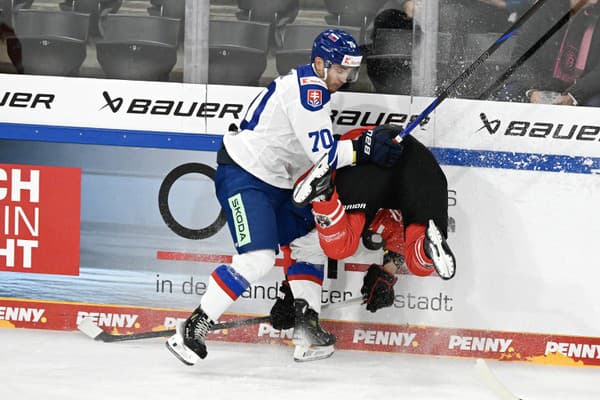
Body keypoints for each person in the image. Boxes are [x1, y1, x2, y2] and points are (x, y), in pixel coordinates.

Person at [165, 29, 403, 366]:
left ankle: (306, 328)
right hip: (245, 177)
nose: (344, 78)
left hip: (280, 185)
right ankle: (193, 327)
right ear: (319, 63)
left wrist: (361, 149)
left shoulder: (313, 87)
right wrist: (364, 149)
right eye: (339, 70)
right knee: (258, 260)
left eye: (349, 72)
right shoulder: (309, 92)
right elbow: (323, 154)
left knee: (311, 242)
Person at [270, 124, 456, 360]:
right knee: (419, 260)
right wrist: (387, 273)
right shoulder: (323, 171)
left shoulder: (296, 202)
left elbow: (296, 249)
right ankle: (426, 249)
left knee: (338, 246)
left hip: (368, 165)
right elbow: (394, 227)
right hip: (422, 167)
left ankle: (324, 197)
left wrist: (290, 292)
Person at [498, 0, 600, 106]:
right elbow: (521, 56)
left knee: (595, 106)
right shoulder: (544, 11)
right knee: (509, 94)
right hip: (539, 85)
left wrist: (574, 95)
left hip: (585, 90)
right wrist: (531, 90)